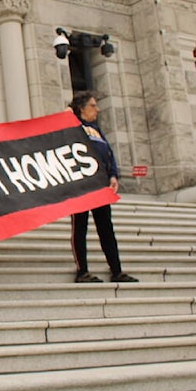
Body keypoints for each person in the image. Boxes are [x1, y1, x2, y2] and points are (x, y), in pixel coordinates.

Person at [67, 90, 138, 284]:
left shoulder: (96, 129)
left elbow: (108, 152)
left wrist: (113, 175)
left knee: (106, 227)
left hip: (100, 185)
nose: (97, 109)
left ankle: (116, 270)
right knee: (80, 226)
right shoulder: (72, 128)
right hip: (81, 185)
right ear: (81, 108)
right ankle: (82, 271)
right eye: (93, 105)